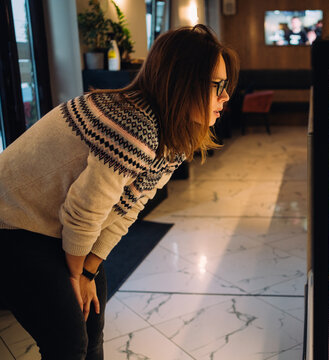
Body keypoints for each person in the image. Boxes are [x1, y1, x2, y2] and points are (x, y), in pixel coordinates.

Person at [0, 24, 238, 360]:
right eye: (218, 86)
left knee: (91, 329)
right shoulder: (132, 123)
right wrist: (75, 274)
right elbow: (84, 211)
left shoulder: (173, 136)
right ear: (182, 82)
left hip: (56, 225)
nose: (226, 97)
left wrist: (87, 270)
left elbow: (126, 210)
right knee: (68, 344)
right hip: (13, 224)